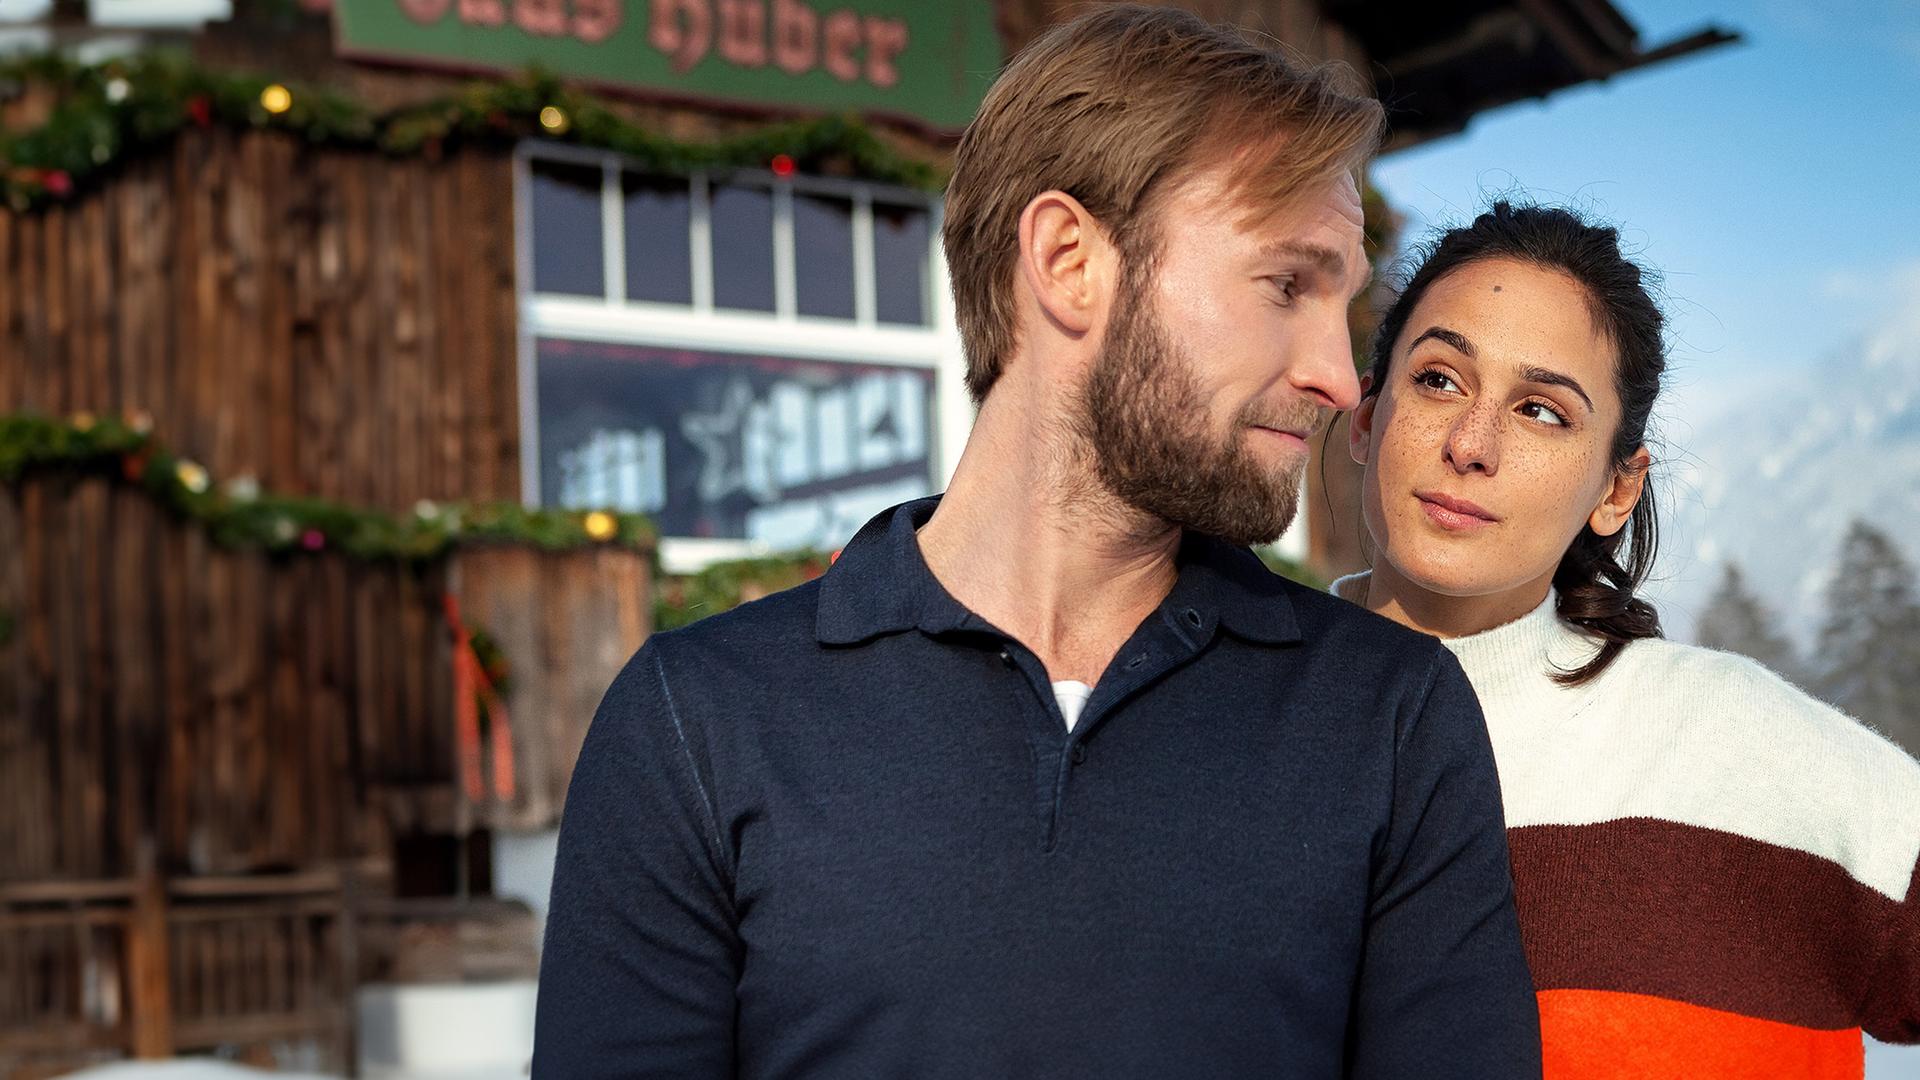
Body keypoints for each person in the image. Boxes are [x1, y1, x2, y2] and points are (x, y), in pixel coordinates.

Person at [533, 7, 1542, 1077]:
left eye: (1343, 303)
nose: (1340, 379)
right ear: (1068, 261)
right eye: (1287, 284)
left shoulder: (1389, 718)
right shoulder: (698, 724)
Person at [1338, 201, 1920, 1078]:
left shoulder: (1744, 748)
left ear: (1617, 488)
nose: (1471, 444)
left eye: (1541, 411)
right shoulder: (1221, 721)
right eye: (1439, 380)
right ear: (1364, 416)